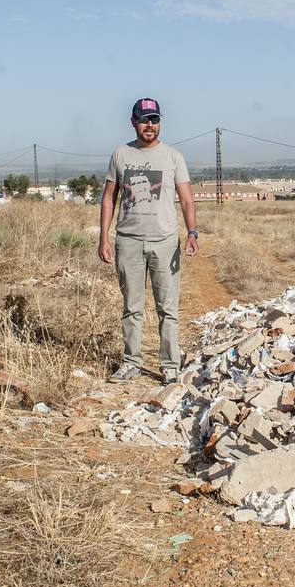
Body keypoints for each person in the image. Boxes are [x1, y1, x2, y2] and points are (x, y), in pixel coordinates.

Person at [98, 98, 199, 383]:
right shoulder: (120, 154)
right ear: (133, 122)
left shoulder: (173, 157)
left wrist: (192, 233)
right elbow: (109, 198)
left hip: (165, 242)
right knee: (132, 306)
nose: (150, 125)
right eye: (144, 120)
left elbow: (187, 200)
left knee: (167, 307)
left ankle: (170, 365)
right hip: (128, 241)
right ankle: (131, 361)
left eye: (154, 120)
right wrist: (103, 237)